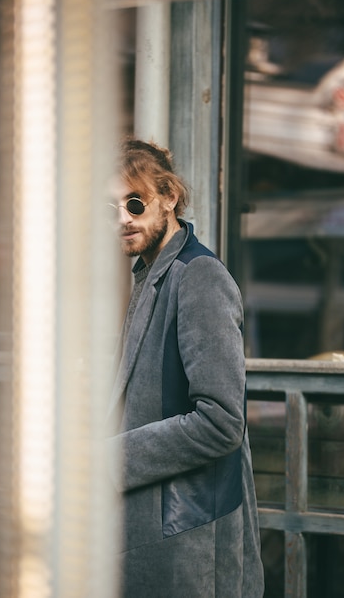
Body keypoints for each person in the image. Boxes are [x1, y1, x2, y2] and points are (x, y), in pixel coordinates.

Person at [106, 138, 264, 597]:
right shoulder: (154, 273)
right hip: (159, 530)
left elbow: (221, 421)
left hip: (190, 535)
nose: (121, 218)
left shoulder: (198, 275)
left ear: (169, 197)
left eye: (134, 202)